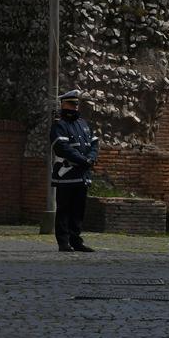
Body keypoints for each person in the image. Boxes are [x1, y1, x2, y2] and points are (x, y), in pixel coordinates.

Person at [50, 89, 100, 253]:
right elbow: (61, 148)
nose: (74, 107)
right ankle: (63, 242)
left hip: (82, 175)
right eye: (71, 104)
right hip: (66, 175)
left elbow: (94, 144)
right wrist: (83, 160)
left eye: (76, 104)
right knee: (64, 209)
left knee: (78, 210)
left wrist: (91, 158)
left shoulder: (83, 124)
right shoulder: (59, 125)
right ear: (63, 105)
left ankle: (76, 240)